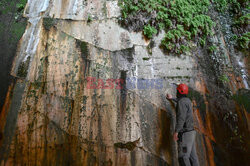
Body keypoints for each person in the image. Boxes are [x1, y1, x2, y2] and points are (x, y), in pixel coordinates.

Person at [166, 83, 200, 166]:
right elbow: (180, 101)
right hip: (191, 134)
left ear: (179, 92)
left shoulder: (181, 102)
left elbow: (181, 118)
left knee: (183, 156)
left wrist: (176, 131)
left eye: (177, 91)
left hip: (185, 135)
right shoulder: (187, 100)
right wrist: (172, 98)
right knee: (193, 158)